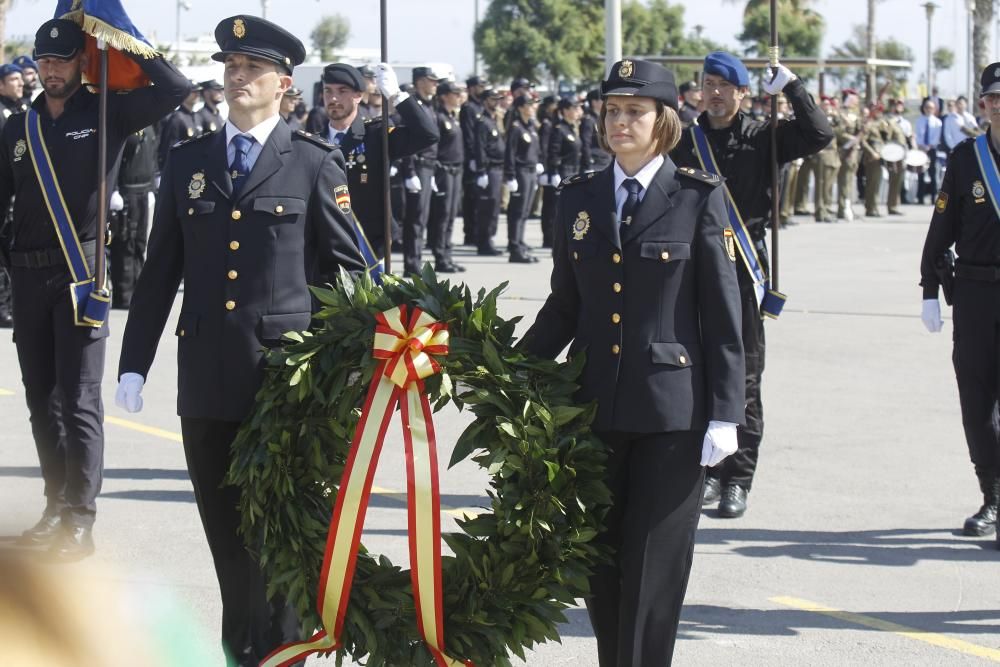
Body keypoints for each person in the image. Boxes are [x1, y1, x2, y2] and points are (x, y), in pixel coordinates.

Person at [115, 15, 366, 664]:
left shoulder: (312, 163)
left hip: (284, 392)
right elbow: (157, 272)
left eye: (252, 68)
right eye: (231, 65)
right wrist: (133, 364)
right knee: (231, 553)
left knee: (277, 547)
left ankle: (278, 654)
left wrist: (356, 365)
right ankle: (247, 653)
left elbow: (356, 275)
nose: (237, 76)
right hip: (205, 387)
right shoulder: (188, 161)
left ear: (283, 84)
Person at [520, 58, 744, 666]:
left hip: (675, 416)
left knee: (654, 568)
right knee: (602, 564)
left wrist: (728, 414)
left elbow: (725, 320)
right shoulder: (579, 199)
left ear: (663, 122)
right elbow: (564, 307)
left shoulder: (698, 198)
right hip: (595, 408)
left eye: (635, 111)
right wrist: (510, 368)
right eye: (612, 111)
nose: (620, 122)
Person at [0, 17, 188, 559]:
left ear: (82, 62)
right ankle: (56, 504)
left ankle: (80, 518)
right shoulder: (20, 127)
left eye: (61, 60)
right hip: (29, 276)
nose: (52, 70)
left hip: (82, 273)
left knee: (80, 399)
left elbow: (174, 88)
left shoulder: (109, 111)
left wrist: (119, 30)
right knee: (42, 400)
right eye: (44, 61)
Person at [673, 51, 833, 517]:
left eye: (726, 86)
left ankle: (738, 478)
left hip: (742, 268)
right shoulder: (685, 140)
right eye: (709, 84)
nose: (716, 93)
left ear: (743, 93)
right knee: (696, 370)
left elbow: (820, 133)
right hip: (692, 266)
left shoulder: (764, 136)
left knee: (742, 376)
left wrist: (792, 88)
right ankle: (706, 472)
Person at [920, 62, 1000, 544]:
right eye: (993, 97)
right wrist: (929, 288)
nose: (999, 105)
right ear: (984, 103)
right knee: (977, 399)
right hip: (973, 293)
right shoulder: (966, 157)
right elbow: (941, 227)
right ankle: (992, 496)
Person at [318, 62, 438, 259]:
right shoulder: (314, 142)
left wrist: (396, 96)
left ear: (358, 96)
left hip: (369, 241)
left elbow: (428, 135)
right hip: (326, 241)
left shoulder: (376, 135)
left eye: (342, 91)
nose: (333, 98)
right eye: (327, 91)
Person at [109, 125, 157, 308]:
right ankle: (124, 295)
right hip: (126, 191)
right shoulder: (126, 126)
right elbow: (112, 159)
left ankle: (138, 290)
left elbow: (153, 157)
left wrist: (152, 187)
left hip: (144, 191)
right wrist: (113, 190)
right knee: (125, 243)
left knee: (140, 243)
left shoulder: (150, 125)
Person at [401, 66, 442, 276]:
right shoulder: (414, 105)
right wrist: (410, 172)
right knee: (415, 219)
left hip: (429, 166)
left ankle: (416, 261)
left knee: (423, 218)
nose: (435, 84)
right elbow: (408, 140)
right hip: (417, 165)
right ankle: (412, 265)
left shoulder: (429, 105)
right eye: (431, 80)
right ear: (419, 82)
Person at [427, 80, 465, 273]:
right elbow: (434, 146)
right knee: (441, 216)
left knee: (451, 216)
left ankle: (447, 255)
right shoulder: (438, 117)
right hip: (444, 170)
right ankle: (440, 256)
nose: (459, 96)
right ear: (443, 96)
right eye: (455, 93)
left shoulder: (453, 117)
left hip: (456, 171)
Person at [502, 94, 541, 263]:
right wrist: (510, 176)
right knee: (517, 212)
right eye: (529, 104)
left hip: (531, 172)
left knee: (525, 211)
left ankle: (520, 242)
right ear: (520, 108)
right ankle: (514, 247)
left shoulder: (531, 126)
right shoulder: (516, 128)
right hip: (520, 172)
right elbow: (510, 153)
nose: (533, 107)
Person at [472, 85, 507, 256]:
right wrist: (481, 171)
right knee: (487, 207)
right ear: (485, 101)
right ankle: (484, 242)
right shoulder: (482, 122)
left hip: (498, 168)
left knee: (495, 207)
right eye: (493, 99)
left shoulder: (495, 120)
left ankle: (489, 239)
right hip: (489, 168)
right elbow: (480, 147)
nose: (497, 102)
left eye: (498, 99)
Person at [460, 75, 488, 246]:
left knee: (478, 199)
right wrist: (472, 157)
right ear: (471, 88)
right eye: (479, 86)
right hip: (471, 158)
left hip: (480, 158)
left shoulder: (480, 107)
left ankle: (476, 231)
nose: (482, 88)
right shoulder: (469, 108)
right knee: (470, 198)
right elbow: (469, 135)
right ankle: (470, 233)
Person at [157, 80, 203, 169]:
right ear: (184, 93)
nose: (197, 94)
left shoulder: (197, 116)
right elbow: (170, 150)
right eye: (193, 91)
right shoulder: (176, 118)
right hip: (182, 168)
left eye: (198, 91)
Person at [814, 96, 841, 222]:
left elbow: (840, 131)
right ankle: (820, 211)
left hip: (832, 154)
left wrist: (836, 117)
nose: (828, 107)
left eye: (829, 104)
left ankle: (827, 209)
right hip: (822, 154)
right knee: (821, 185)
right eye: (825, 104)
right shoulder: (818, 117)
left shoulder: (833, 118)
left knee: (829, 185)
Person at [915, 97, 943, 203]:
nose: (928, 109)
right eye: (926, 107)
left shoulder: (937, 122)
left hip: (932, 149)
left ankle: (933, 197)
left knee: (933, 173)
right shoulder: (919, 120)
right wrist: (921, 146)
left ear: (934, 109)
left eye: (931, 107)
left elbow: (936, 137)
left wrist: (929, 146)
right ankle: (920, 197)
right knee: (921, 173)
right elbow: (918, 135)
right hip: (921, 149)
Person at [580, 88, 613, 174]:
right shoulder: (589, 120)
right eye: (602, 99)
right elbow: (585, 144)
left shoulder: (602, 118)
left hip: (606, 161)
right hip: (595, 163)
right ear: (594, 102)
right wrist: (588, 165)